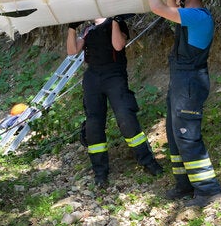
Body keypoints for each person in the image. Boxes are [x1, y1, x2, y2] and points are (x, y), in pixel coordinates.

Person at [146, 0, 221, 208]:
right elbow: (170, 9)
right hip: (181, 82)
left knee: (187, 137)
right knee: (174, 134)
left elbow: (159, 9)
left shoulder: (198, 16)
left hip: (190, 83)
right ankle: (184, 185)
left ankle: (209, 191)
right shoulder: (188, 13)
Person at [66, 16, 163, 188]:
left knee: (126, 117)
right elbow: (72, 51)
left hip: (114, 75)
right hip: (93, 78)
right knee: (93, 125)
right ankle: (100, 173)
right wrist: (72, 28)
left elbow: (118, 46)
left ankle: (148, 162)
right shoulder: (88, 30)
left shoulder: (116, 23)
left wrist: (115, 22)